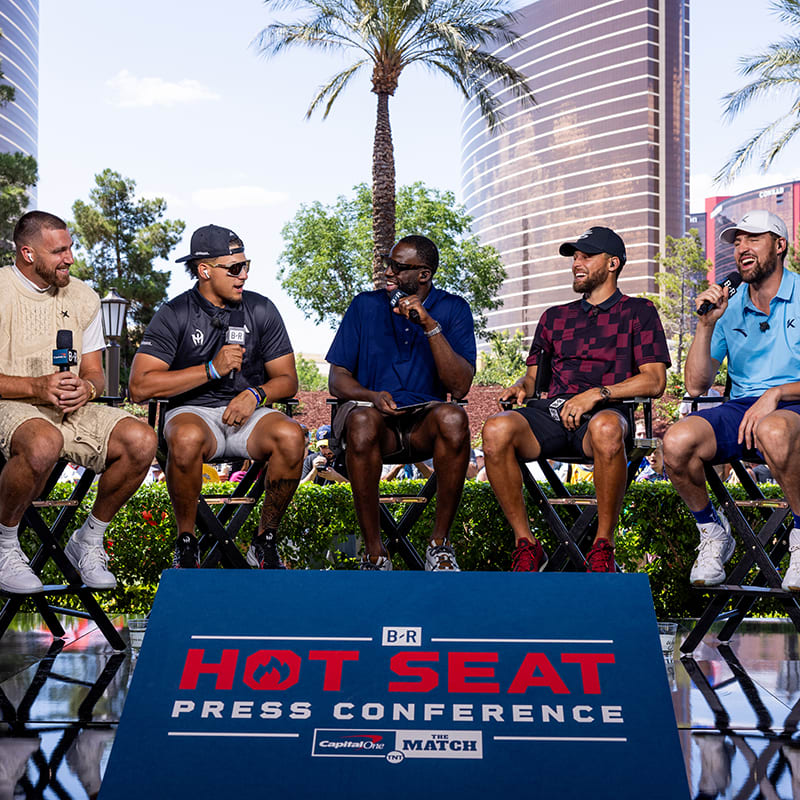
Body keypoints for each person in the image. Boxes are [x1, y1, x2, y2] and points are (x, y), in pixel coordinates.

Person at [481, 226, 670, 572]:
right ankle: (526, 543)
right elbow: (534, 379)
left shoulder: (639, 312)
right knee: (495, 429)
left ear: (613, 263)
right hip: (552, 413)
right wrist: (520, 386)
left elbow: (655, 380)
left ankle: (603, 547)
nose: (576, 264)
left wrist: (596, 395)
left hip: (605, 413)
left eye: (586, 256)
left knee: (607, 428)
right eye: (574, 257)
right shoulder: (554, 317)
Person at [129, 224, 305, 570]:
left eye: (246, 265)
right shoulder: (175, 312)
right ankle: (187, 542)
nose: (244, 275)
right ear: (204, 270)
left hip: (249, 414)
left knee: (291, 435)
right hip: (193, 413)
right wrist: (210, 370)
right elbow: (139, 387)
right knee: (186, 436)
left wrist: (256, 394)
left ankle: (265, 540)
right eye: (235, 267)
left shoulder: (262, 310)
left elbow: (288, 380)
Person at [0, 211, 157, 593]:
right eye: (59, 250)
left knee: (143, 440)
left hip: (70, 410)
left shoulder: (84, 297)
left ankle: (88, 539)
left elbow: (96, 373)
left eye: (70, 247)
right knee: (43, 442)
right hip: (9, 403)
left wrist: (85, 389)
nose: (70, 257)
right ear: (27, 253)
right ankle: (4, 544)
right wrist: (36, 388)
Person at [663, 210, 800, 590]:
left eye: (753, 238)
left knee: (773, 428)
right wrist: (705, 326)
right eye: (737, 241)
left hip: (792, 406)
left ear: (780, 245)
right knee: (676, 442)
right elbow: (695, 386)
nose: (742, 247)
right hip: (743, 410)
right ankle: (713, 532)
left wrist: (776, 394)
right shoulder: (730, 305)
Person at [326, 234, 476, 571]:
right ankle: (374, 552)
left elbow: (460, 385)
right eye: (387, 263)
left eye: (398, 266)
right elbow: (337, 380)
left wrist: (429, 325)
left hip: (425, 424)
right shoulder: (364, 305)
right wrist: (371, 396)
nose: (388, 271)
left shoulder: (453, 309)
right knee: (362, 422)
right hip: (375, 420)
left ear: (424, 274)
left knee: (454, 418)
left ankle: (439, 546)